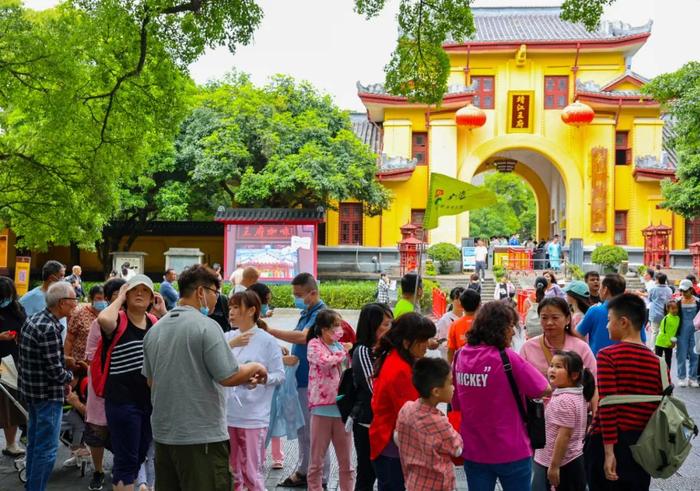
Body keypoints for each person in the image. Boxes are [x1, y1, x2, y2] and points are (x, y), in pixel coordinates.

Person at [142, 264, 268, 491]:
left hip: (163, 437)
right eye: (214, 293)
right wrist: (255, 366)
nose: (215, 299)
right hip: (201, 438)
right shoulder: (206, 326)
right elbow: (228, 376)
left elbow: (151, 382)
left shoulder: (155, 330)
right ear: (201, 292)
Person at [452, 301, 550, 491]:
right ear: (499, 328)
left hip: (474, 449)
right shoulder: (507, 357)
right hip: (511, 449)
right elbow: (543, 388)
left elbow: (456, 403)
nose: (513, 332)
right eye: (510, 326)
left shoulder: (460, 356)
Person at [584, 293, 663, 490]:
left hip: (609, 441)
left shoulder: (608, 356)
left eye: (609, 320)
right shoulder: (660, 363)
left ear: (624, 322)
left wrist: (609, 452)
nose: (606, 326)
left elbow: (609, 405)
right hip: (643, 445)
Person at [97, 274, 166, 491]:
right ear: (127, 294)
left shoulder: (154, 322)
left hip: (147, 402)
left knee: (139, 456)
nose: (139, 294)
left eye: (145, 291)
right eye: (134, 290)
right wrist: (120, 298)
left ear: (151, 297)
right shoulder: (118, 319)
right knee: (126, 460)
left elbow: (174, 334)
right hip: (122, 402)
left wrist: (163, 311)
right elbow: (103, 320)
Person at [264, 273, 330, 489]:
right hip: (301, 379)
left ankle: (319, 475)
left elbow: (304, 337)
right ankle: (305, 470)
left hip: (313, 381)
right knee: (305, 430)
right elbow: (296, 336)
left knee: (315, 432)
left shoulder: (321, 314)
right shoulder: (307, 312)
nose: (296, 298)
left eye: (299, 295)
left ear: (313, 292)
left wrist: (270, 330)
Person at [17, 281, 75, 491]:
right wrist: (70, 375)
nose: (75, 305)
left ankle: (32, 486)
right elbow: (56, 372)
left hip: (32, 392)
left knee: (34, 444)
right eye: (73, 300)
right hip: (47, 396)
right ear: (62, 303)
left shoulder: (33, 319)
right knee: (47, 449)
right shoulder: (50, 328)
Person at [225, 291, 285, 491]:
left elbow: (280, 375)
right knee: (231, 471)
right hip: (227, 414)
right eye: (230, 308)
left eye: (236, 307)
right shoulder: (228, 337)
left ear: (252, 311)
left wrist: (263, 378)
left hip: (253, 416)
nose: (231, 313)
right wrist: (230, 344)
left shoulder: (267, 340)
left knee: (252, 471)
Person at [370, 313, 436, 491]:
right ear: (407, 342)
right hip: (392, 446)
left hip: (389, 441)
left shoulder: (397, 358)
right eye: (423, 340)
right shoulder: (400, 370)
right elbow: (412, 415)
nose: (428, 345)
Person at [395, 357, 463, 491]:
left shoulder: (406, 408)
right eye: (450, 383)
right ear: (436, 391)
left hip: (413, 482)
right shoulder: (438, 421)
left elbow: (397, 437)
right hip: (437, 485)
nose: (453, 387)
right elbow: (457, 449)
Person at [306, 310, 355, 491]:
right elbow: (325, 361)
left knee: (347, 463)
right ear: (325, 329)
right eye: (336, 326)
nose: (339, 329)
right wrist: (345, 352)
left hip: (342, 411)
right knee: (316, 461)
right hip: (321, 411)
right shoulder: (314, 345)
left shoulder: (340, 347)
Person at [84, 277, 125, 491]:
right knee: (97, 432)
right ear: (109, 298)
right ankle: (98, 470)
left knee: (122, 431)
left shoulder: (135, 319)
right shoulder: (99, 322)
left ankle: (120, 469)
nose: (123, 296)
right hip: (101, 386)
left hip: (125, 388)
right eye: (119, 292)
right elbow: (90, 355)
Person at [532, 351, 594, 491]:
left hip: (560, 463)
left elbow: (564, 436)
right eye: (551, 365)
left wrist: (554, 467)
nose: (552, 369)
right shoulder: (577, 393)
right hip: (573, 458)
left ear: (574, 375)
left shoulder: (564, 400)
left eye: (559, 367)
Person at [351, 303, 393, 491]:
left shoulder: (387, 349)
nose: (389, 329)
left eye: (391, 324)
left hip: (386, 421)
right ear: (371, 326)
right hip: (368, 421)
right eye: (385, 325)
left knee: (386, 472)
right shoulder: (362, 351)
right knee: (367, 473)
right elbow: (373, 387)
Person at [520, 297, 597, 383]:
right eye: (544, 318)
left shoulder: (581, 348)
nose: (549, 322)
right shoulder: (528, 348)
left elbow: (594, 381)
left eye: (555, 318)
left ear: (567, 319)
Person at [576, 273, 646, 356]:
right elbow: (643, 340)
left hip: (598, 363)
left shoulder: (595, 310)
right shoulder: (633, 312)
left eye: (600, 287)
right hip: (626, 361)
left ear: (605, 290)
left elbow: (578, 334)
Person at [0, 277, 26, 458]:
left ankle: (11, 443)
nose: (6, 300)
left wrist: (18, 337)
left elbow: (26, 327)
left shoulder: (17, 308)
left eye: (8, 296)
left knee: (11, 403)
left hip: (12, 362)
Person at [65, 284, 105, 378]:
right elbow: (69, 339)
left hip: (99, 364)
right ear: (91, 299)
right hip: (79, 364)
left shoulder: (108, 314)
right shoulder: (79, 313)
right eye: (98, 298)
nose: (102, 301)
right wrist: (66, 358)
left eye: (104, 299)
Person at [674, 279, 700, 387]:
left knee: (695, 354)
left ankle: (692, 378)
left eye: (685, 291)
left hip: (695, 331)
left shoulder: (698, 301)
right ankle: (681, 377)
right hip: (681, 331)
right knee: (681, 354)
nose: (683, 293)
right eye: (681, 290)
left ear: (691, 289)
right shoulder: (677, 301)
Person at [447, 289, 481, 363]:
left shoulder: (455, 324)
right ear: (479, 304)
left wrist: (449, 369)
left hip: (462, 365)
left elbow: (450, 350)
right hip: (481, 365)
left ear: (461, 304)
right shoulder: (484, 323)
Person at [434, 287, 464, 360]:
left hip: (464, 358)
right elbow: (440, 340)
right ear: (451, 300)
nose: (460, 302)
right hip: (449, 358)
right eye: (457, 299)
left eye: (462, 299)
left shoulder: (467, 317)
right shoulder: (445, 319)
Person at [647, 272, 673, 349]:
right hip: (666, 313)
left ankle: (653, 349)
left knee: (654, 332)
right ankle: (663, 348)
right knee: (664, 331)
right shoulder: (669, 290)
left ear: (657, 280)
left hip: (655, 313)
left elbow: (650, 299)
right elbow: (670, 300)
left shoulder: (653, 289)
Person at [655, 300, 679, 368]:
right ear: (668, 309)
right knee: (658, 360)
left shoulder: (678, 318)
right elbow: (665, 333)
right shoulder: (666, 319)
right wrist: (671, 343)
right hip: (660, 342)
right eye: (673, 308)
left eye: (676, 308)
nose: (675, 310)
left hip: (670, 343)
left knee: (668, 360)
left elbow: (674, 332)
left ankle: (667, 375)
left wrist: (673, 342)